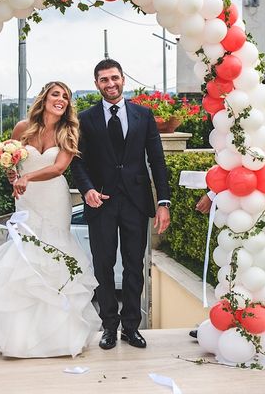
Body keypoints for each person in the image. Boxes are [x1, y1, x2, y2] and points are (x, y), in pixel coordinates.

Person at [0, 81, 101, 358]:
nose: (62, 100)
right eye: (56, 94)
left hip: (54, 201)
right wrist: (14, 175)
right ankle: (19, 337)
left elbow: (58, 167)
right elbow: (15, 162)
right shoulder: (22, 128)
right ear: (44, 98)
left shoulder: (69, 130)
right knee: (24, 260)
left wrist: (28, 177)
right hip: (26, 200)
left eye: (65, 97)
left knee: (53, 258)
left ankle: (58, 336)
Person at [71, 59, 171, 350]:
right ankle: (109, 327)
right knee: (103, 267)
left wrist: (163, 202)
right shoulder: (86, 119)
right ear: (96, 84)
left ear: (123, 79)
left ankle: (131, 327)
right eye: (104, 80)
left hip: (136, 203)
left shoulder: (144, 115)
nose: (110, 84)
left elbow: (157, 161)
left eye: (114, 78)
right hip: (100, 202)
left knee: (132, 267)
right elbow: (77, 162)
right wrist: (86, 189)